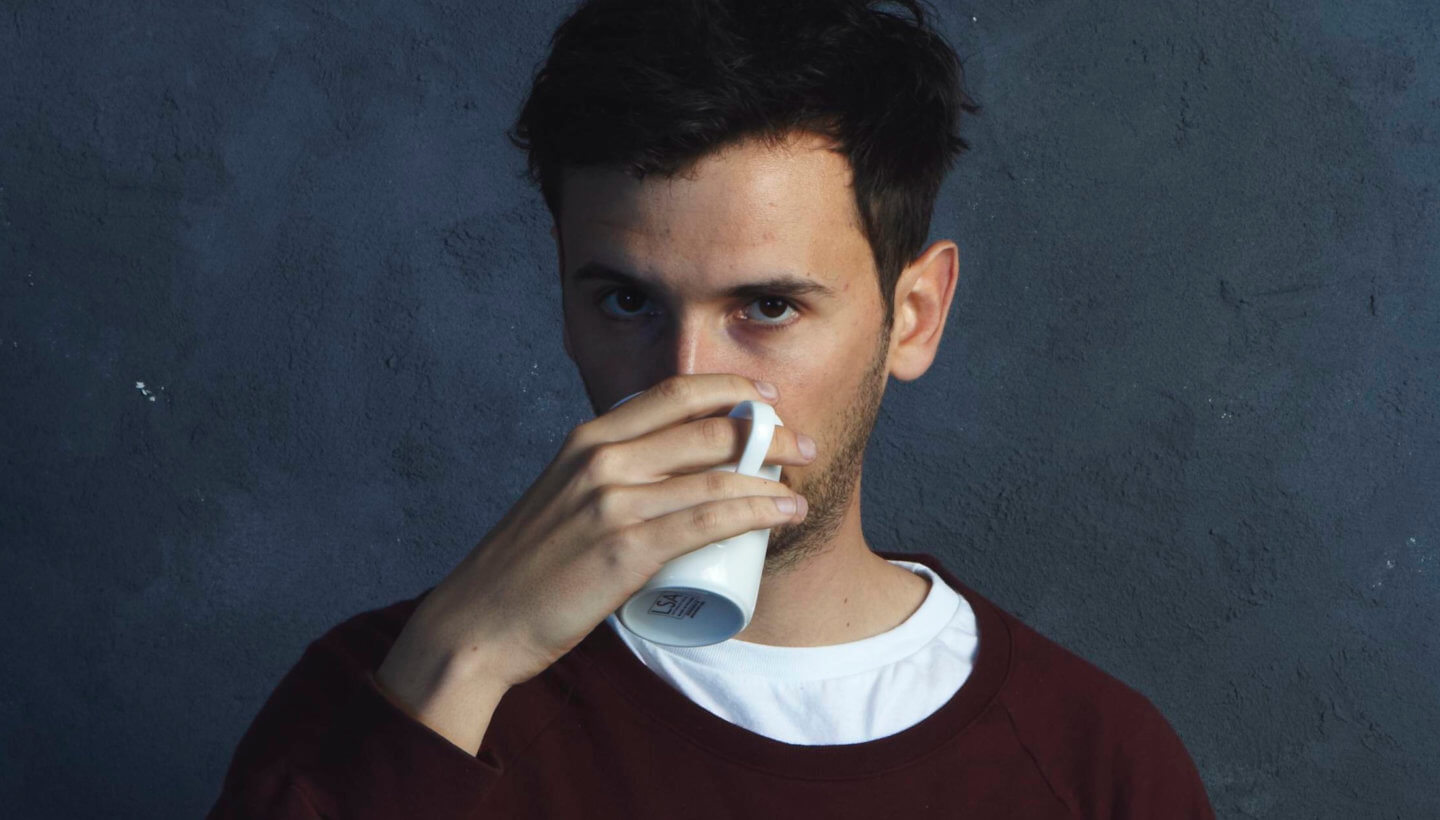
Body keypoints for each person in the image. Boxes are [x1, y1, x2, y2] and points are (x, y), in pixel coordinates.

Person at [207, 0, 1215, 816]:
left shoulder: (1094, 762)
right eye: (626, 302)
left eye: (767, 308)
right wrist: (463, 658)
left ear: (912, 317)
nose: (687, 385)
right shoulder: (392, 695)